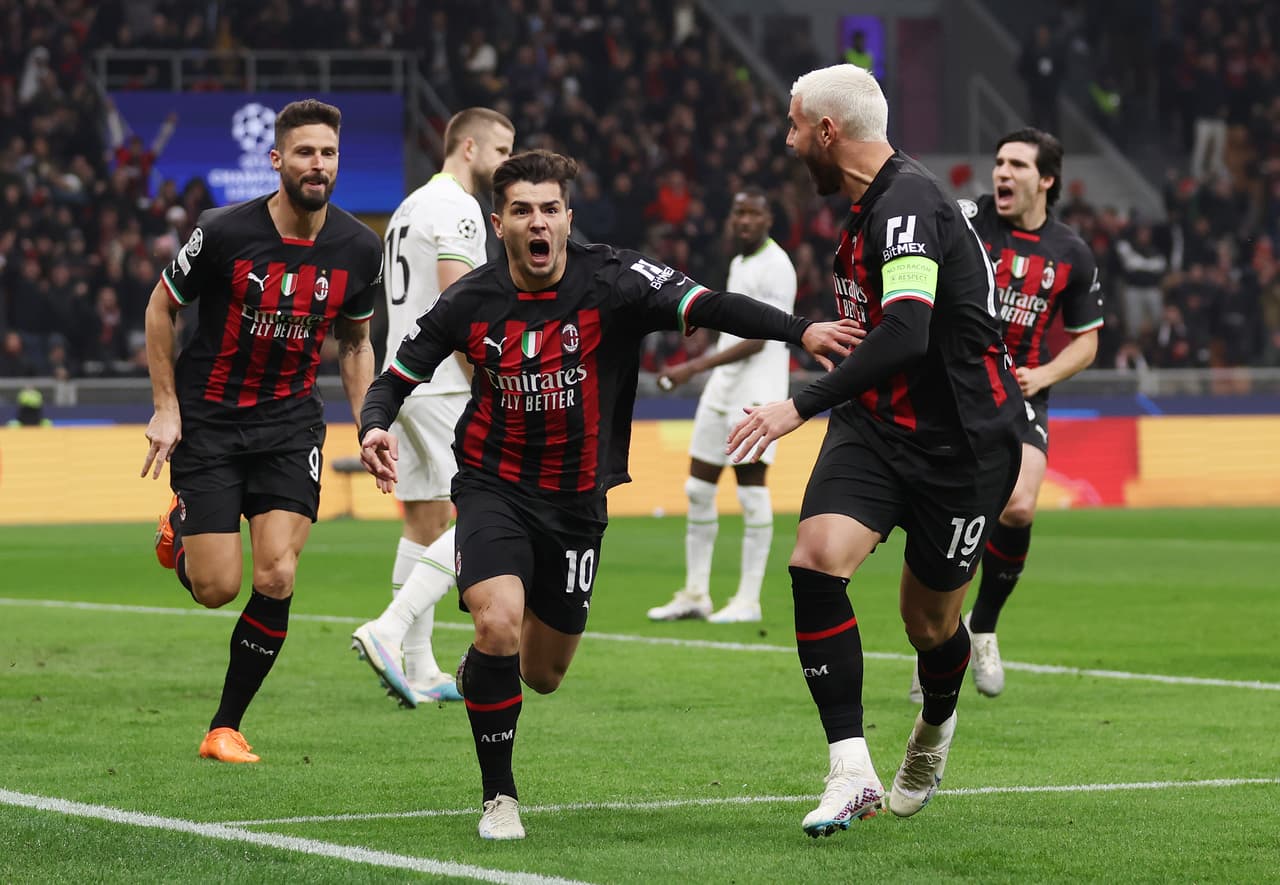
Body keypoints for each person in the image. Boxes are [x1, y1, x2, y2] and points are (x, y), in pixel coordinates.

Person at [358, 149, 859, 840]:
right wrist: (373, 425)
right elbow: (396, 376)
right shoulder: (470, 299)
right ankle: (499, 798)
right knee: (498, 620)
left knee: (543, 673)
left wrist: (800, 329)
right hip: (493, 485)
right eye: (522, 211)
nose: (538, 223)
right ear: (499, 223)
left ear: (569, 217)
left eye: (550, 209)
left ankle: (487, 669)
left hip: (576, 502)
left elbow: (710, 304)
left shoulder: (616, 279)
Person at [725, 64, 1024, 835]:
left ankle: (934, 727)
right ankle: (850, 768)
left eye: (795, 127)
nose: (788, 142)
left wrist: (798, 403)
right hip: (875, 427)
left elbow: (908, 330)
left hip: (962, 446)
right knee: (815, 561)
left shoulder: (908, 204)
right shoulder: (870, 211)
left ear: (828, 131)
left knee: (928, 624)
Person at [142, 99, 384, 764]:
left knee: (277, 572)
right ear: (277, 160)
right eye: (304, 152)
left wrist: (368, 425)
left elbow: (355, 343)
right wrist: (166, 407)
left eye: (328, 153)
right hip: (212, 420)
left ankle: (225, 727)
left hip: (290, 424)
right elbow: (161, 307)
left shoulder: (360, 248)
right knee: (217, 587)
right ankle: (181, 528)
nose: (317, 164)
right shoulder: (222, 232)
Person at [918, 128, 1103, 700]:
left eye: (1018, 165)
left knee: (1019, 505)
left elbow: (1087, 341)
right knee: (951, 518)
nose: (1002, 172)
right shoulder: (967, 220)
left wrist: (1043, 376)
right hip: (956, 387)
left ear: (1046, 180)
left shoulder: (1071, 252)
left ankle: (984, 626)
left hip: (1021, 392)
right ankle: (938, 640)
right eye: (999, 162)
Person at [350, 107, 515, 709]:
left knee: (423, 519)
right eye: (501, 151)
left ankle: (417, 666)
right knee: (483, 512)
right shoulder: (460, 208)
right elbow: (459, 300)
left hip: (406, 377)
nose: (506, 163)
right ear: (468, 147)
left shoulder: (410, 206)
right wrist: (488, 382)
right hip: (445, 383)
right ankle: (389, 629)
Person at [646, 186, 798, 624]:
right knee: (697, 489)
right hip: (723, 388)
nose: (744, 221)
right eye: (738, 213)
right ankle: (696, 593)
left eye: (753, 213)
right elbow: (732, 325)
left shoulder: (777, 265)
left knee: (750, 492)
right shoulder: (738, 262)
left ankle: (748, 600)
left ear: (769, 219)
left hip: (757, 390)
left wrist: (694, 367)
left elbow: (760, 336)